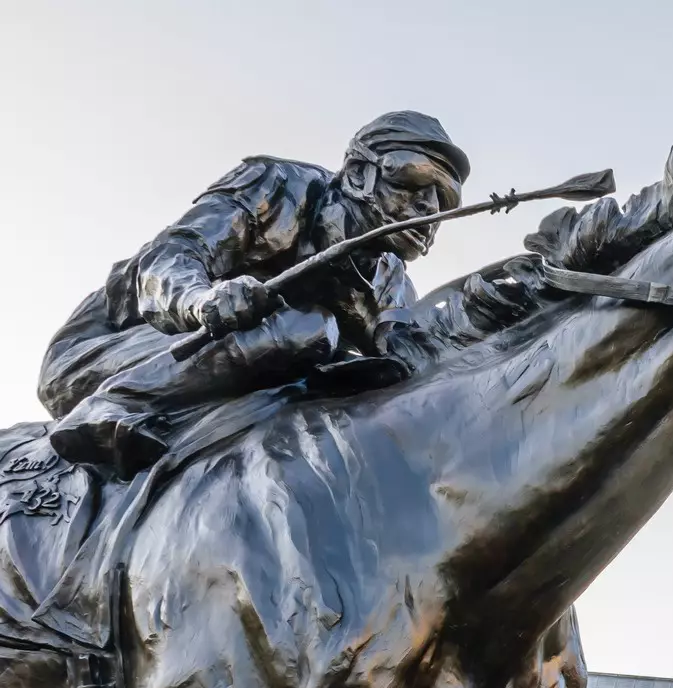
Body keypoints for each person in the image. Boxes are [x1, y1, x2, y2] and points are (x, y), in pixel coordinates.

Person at [38, 111, 469, 475]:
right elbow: (166, 260)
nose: (429, 208)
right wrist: (203, 301)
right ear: (358, 174)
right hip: (104, 351)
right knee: (307, 328)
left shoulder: (392, 282)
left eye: (445, 199)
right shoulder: (276, 186)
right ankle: (113, 404)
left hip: (249, 369)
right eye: (412, 180)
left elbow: (410, 362)